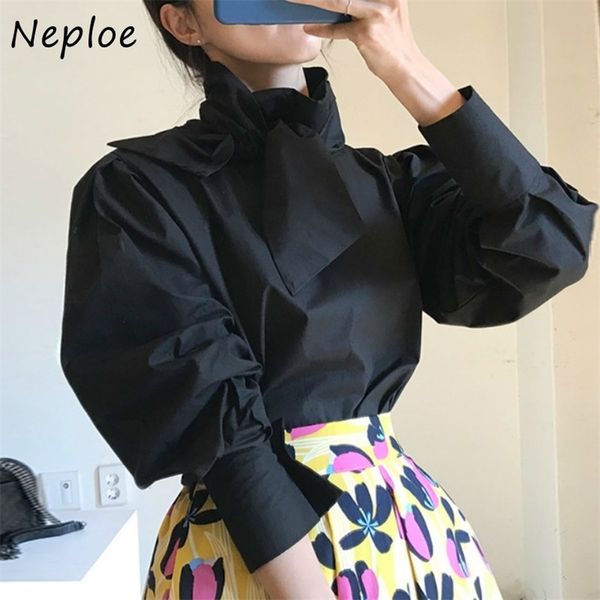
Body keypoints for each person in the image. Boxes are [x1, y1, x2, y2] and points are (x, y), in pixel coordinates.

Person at [58, 0, 598, 598]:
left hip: (405, 533)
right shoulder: (137, 190)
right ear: (185, 23)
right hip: (251, 553)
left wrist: (404, 62)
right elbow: (213, 425)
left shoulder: (388, 184)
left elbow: (549, 244)